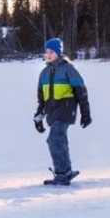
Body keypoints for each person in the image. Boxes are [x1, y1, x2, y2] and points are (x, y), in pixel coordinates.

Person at [34, 38, 91, 185]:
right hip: (52, 111)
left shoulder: (68, 69)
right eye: (46, 52)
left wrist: (86, 113)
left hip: (66, 109)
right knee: (56, 139)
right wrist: (39, 117)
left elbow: (81, 91)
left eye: (51, 52)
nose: (48, 54)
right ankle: (65, 171)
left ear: (58, 53)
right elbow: (41, 99)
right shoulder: (44, 73)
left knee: (55, 138)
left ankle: (63, 174)